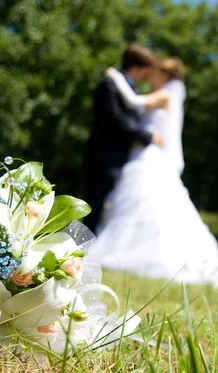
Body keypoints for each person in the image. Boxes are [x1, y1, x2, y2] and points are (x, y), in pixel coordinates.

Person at [85, 57, 218, 289]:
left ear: (165, 75)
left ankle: (148, 257)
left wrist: (115, 77)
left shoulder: (166, 95)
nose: (149, 76)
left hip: (152, 159)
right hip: (140, 158)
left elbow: (134, 101)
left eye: (154, 72)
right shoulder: (163, 97)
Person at [83, 44, 164, 233]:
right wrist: (148, 136)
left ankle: (91, 256)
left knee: (104, 213)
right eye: (145, 71)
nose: (145, 76)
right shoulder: (108, 85)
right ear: (136, 68)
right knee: (92, 210)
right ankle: (76, 255)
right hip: (103, 160)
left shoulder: (131, 89)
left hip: (121, 161)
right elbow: (116, 120)